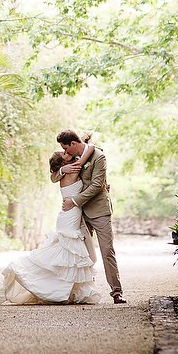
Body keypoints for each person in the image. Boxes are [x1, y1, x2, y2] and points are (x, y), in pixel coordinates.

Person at [0, 146, 100, 305]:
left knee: (69, 256)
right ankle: (49, 285)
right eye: (64, 153)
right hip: (69, 216)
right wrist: (86, 143)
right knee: (68, 255)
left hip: (70, 215)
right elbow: (89, 150)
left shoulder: (66, 171)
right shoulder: (70, 171)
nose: (67, 153)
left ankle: (64, 290)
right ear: (62, 162)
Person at [55, 128, 125, 303]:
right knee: (82, 253)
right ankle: (86, 291)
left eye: (66, 148)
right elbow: (54, 175)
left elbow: (96, 185)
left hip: (98, 210)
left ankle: (116, 292)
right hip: (79, 214)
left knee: (107, 250)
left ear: (74, 143)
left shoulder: (98, 156)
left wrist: (74, 201)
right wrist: (63, 171)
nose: (65, 152)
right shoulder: (71, 159)